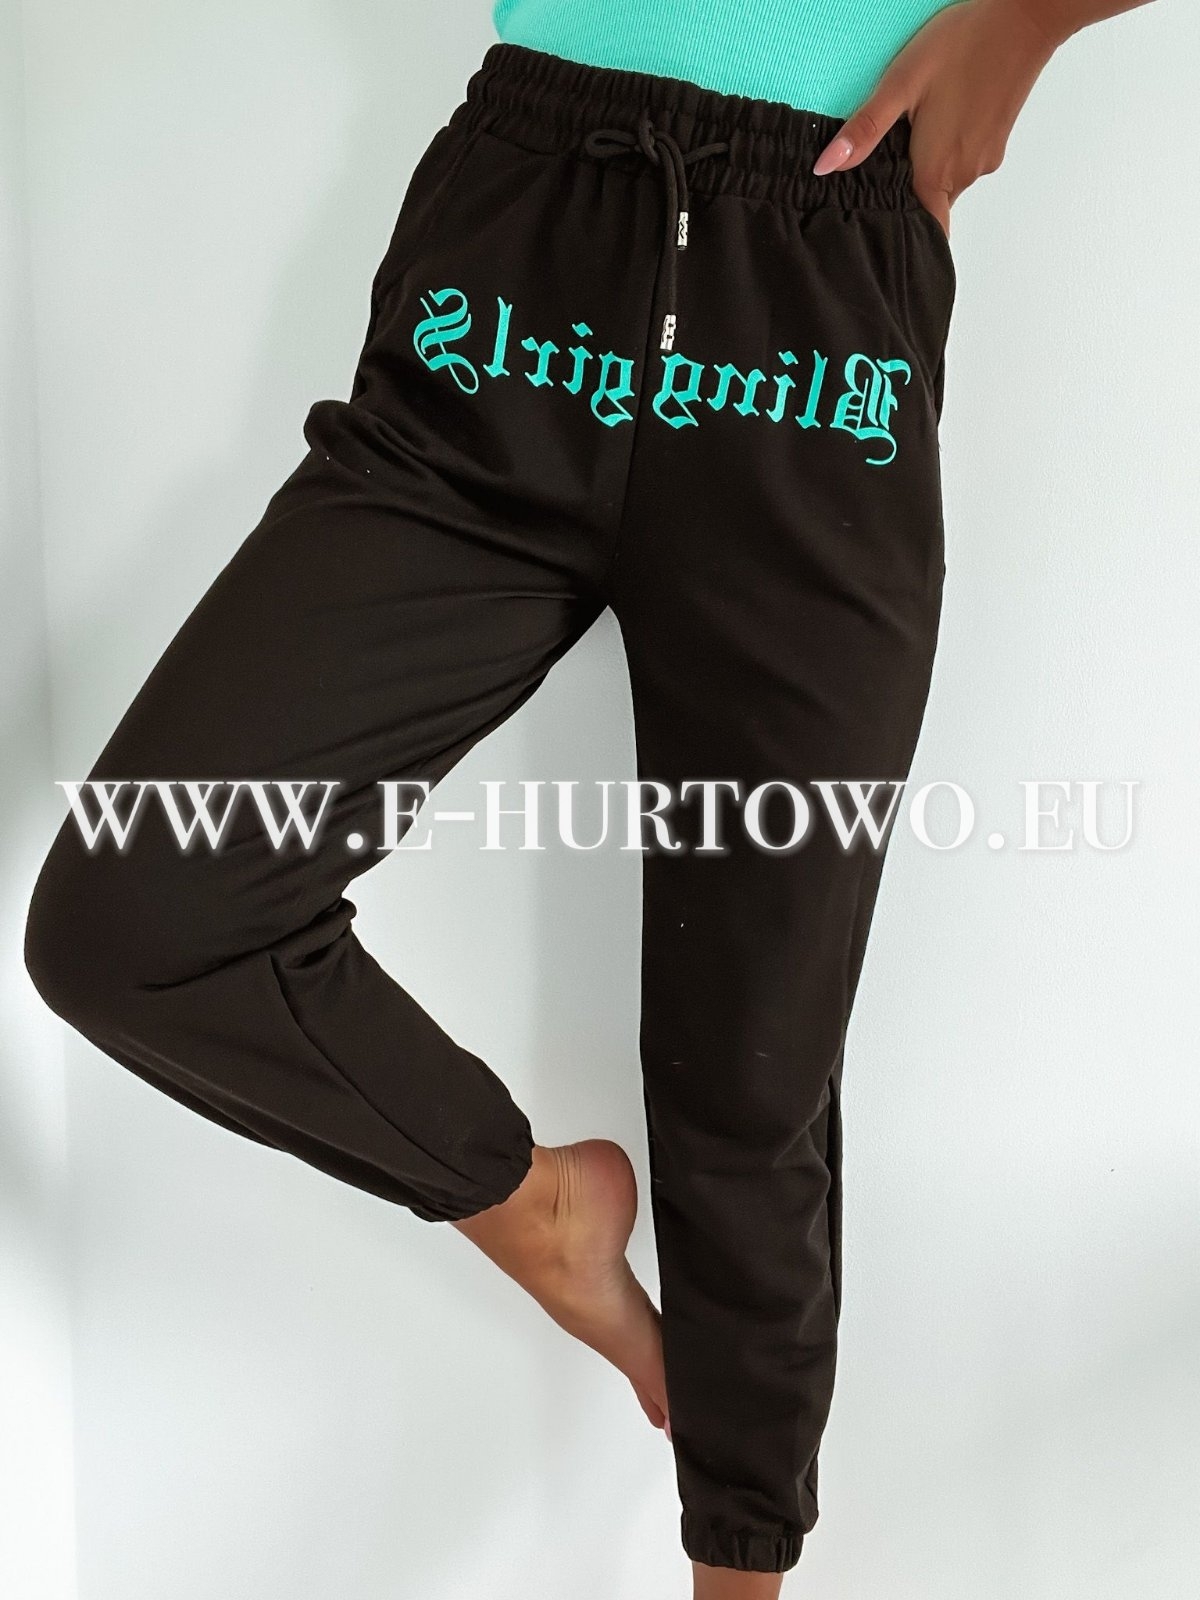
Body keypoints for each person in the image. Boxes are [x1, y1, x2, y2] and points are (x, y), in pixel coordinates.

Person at [23, 0, 1154, 1595]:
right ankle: (537, 1211)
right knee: (141, 910)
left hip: (814, 316)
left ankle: (738, 1572)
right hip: (519, 258)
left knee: (749, 1081)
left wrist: (1029, 18)